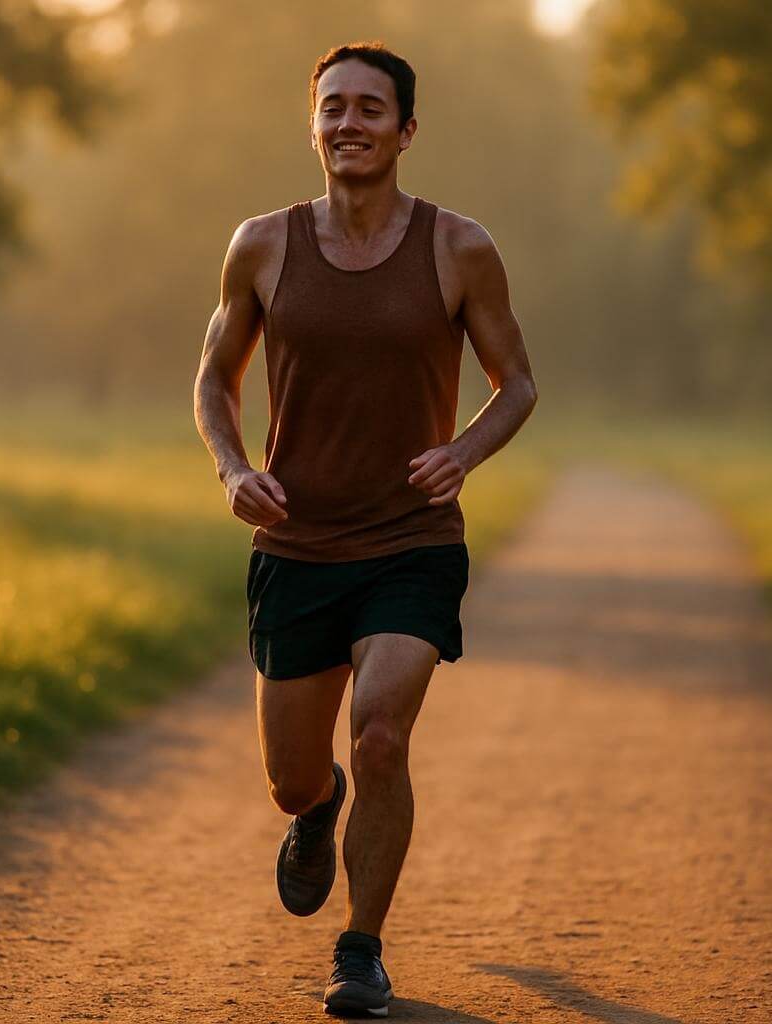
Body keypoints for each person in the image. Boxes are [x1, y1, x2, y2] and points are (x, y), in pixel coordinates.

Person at [192, 40, 537, 1018]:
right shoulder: (261, 245)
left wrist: (462, 454)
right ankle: (315, 811)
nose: (350, 122)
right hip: (295, 546)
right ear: (313, 125)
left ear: (406, 131)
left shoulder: (457, 248)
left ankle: (362, 948)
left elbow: (518, 384)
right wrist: (231, 468)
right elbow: (213, 378)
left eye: (370, 109)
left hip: (411, 541)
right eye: (333, 107)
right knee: (291, 776)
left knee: (382, 733)